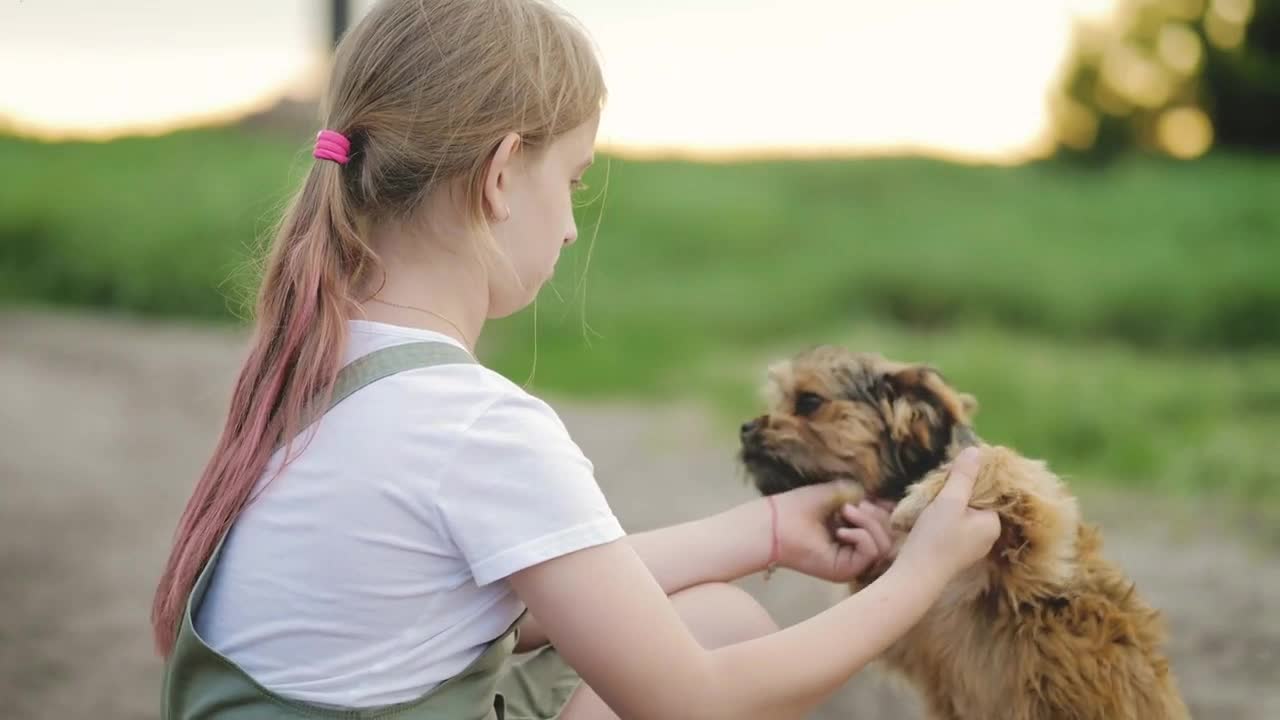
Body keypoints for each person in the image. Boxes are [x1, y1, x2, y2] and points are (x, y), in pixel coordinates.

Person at [151, 1, 1001, 718]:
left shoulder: (317, 374)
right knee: (720, 651)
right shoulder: (476, 426)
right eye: (573, 179)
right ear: (499, 176)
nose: (567, 224)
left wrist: (768, 531)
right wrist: (919, 575)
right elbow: (693, 699)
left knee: (716, 616)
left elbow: (497, 603)